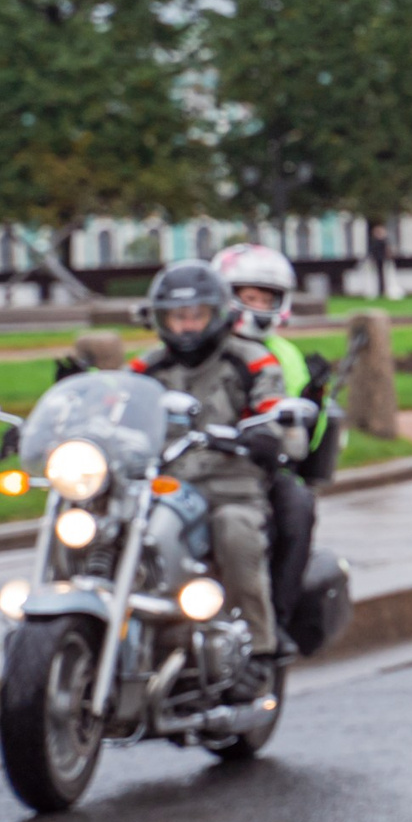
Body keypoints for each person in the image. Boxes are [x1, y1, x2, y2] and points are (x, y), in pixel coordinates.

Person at [130, 262, 285, 682]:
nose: (186, 326)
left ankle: (258, 650)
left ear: (217, 314)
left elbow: (278, 416)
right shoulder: (147, 367)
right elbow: (120, 410)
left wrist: (267, 435)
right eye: (176, 316)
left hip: (229, 486)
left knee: (235, 531)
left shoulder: (249, 360)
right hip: (160, 486)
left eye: (195, 315)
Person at [212, 243, 327, 634]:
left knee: (297, 508)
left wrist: (314, 404)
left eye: (267, 297)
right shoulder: (198, 342)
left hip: (256, 465)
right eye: (248, 296)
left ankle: (275, 619)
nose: (258, 304)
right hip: (190, 462)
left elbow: (301, 436)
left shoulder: (284, 354)